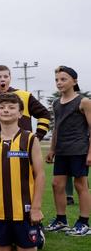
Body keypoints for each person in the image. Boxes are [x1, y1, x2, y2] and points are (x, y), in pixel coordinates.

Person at [0, 93, 45, 251]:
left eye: (11, 107)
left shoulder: (30, 139)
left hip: (24, 210)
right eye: (1, 107)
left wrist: (36, 207)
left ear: (20, 113)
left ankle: (38, 234)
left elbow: (40, 174)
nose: (6, 110)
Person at [45, 66, 91, 236]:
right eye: (57, 79)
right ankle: (61, 220)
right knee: (57, 184)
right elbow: (56, 128)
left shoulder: (84, 102)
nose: (59, 83)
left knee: (80, 185)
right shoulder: (56, 103)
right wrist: (51, 149)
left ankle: (84, 223)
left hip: (79, 149)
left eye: (63, 79)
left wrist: (90, 153)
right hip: (62, 150)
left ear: (74, 81)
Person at [0, 65, 50, 140]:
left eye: (6, 76)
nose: (2, 79)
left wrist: (39, 135)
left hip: (23, 146)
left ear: (10, 78)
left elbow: (44, 114)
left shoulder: (25, 96)